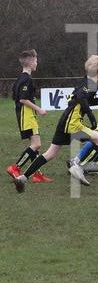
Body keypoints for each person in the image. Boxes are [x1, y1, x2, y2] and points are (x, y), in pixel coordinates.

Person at [12, 55, 98, 192]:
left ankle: (22, 178)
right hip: (72, 123)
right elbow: (81, 97)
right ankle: (78, 167)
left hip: (65, 121)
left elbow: (86, 100)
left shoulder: (87, 82)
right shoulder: (89, 84)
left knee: (50, 153)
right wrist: (91, 117)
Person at [6, 49, 52, 183]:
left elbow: (16, 97)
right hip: (26, 115)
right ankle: (15, 167)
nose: (37, 63)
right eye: (36, 61)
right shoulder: (27, 79)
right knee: (36, 144)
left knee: (34, 145)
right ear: (31, 62)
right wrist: (39, 109)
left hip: (25, 114)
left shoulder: (20, 79)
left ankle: (37, 174)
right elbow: (22, 99)